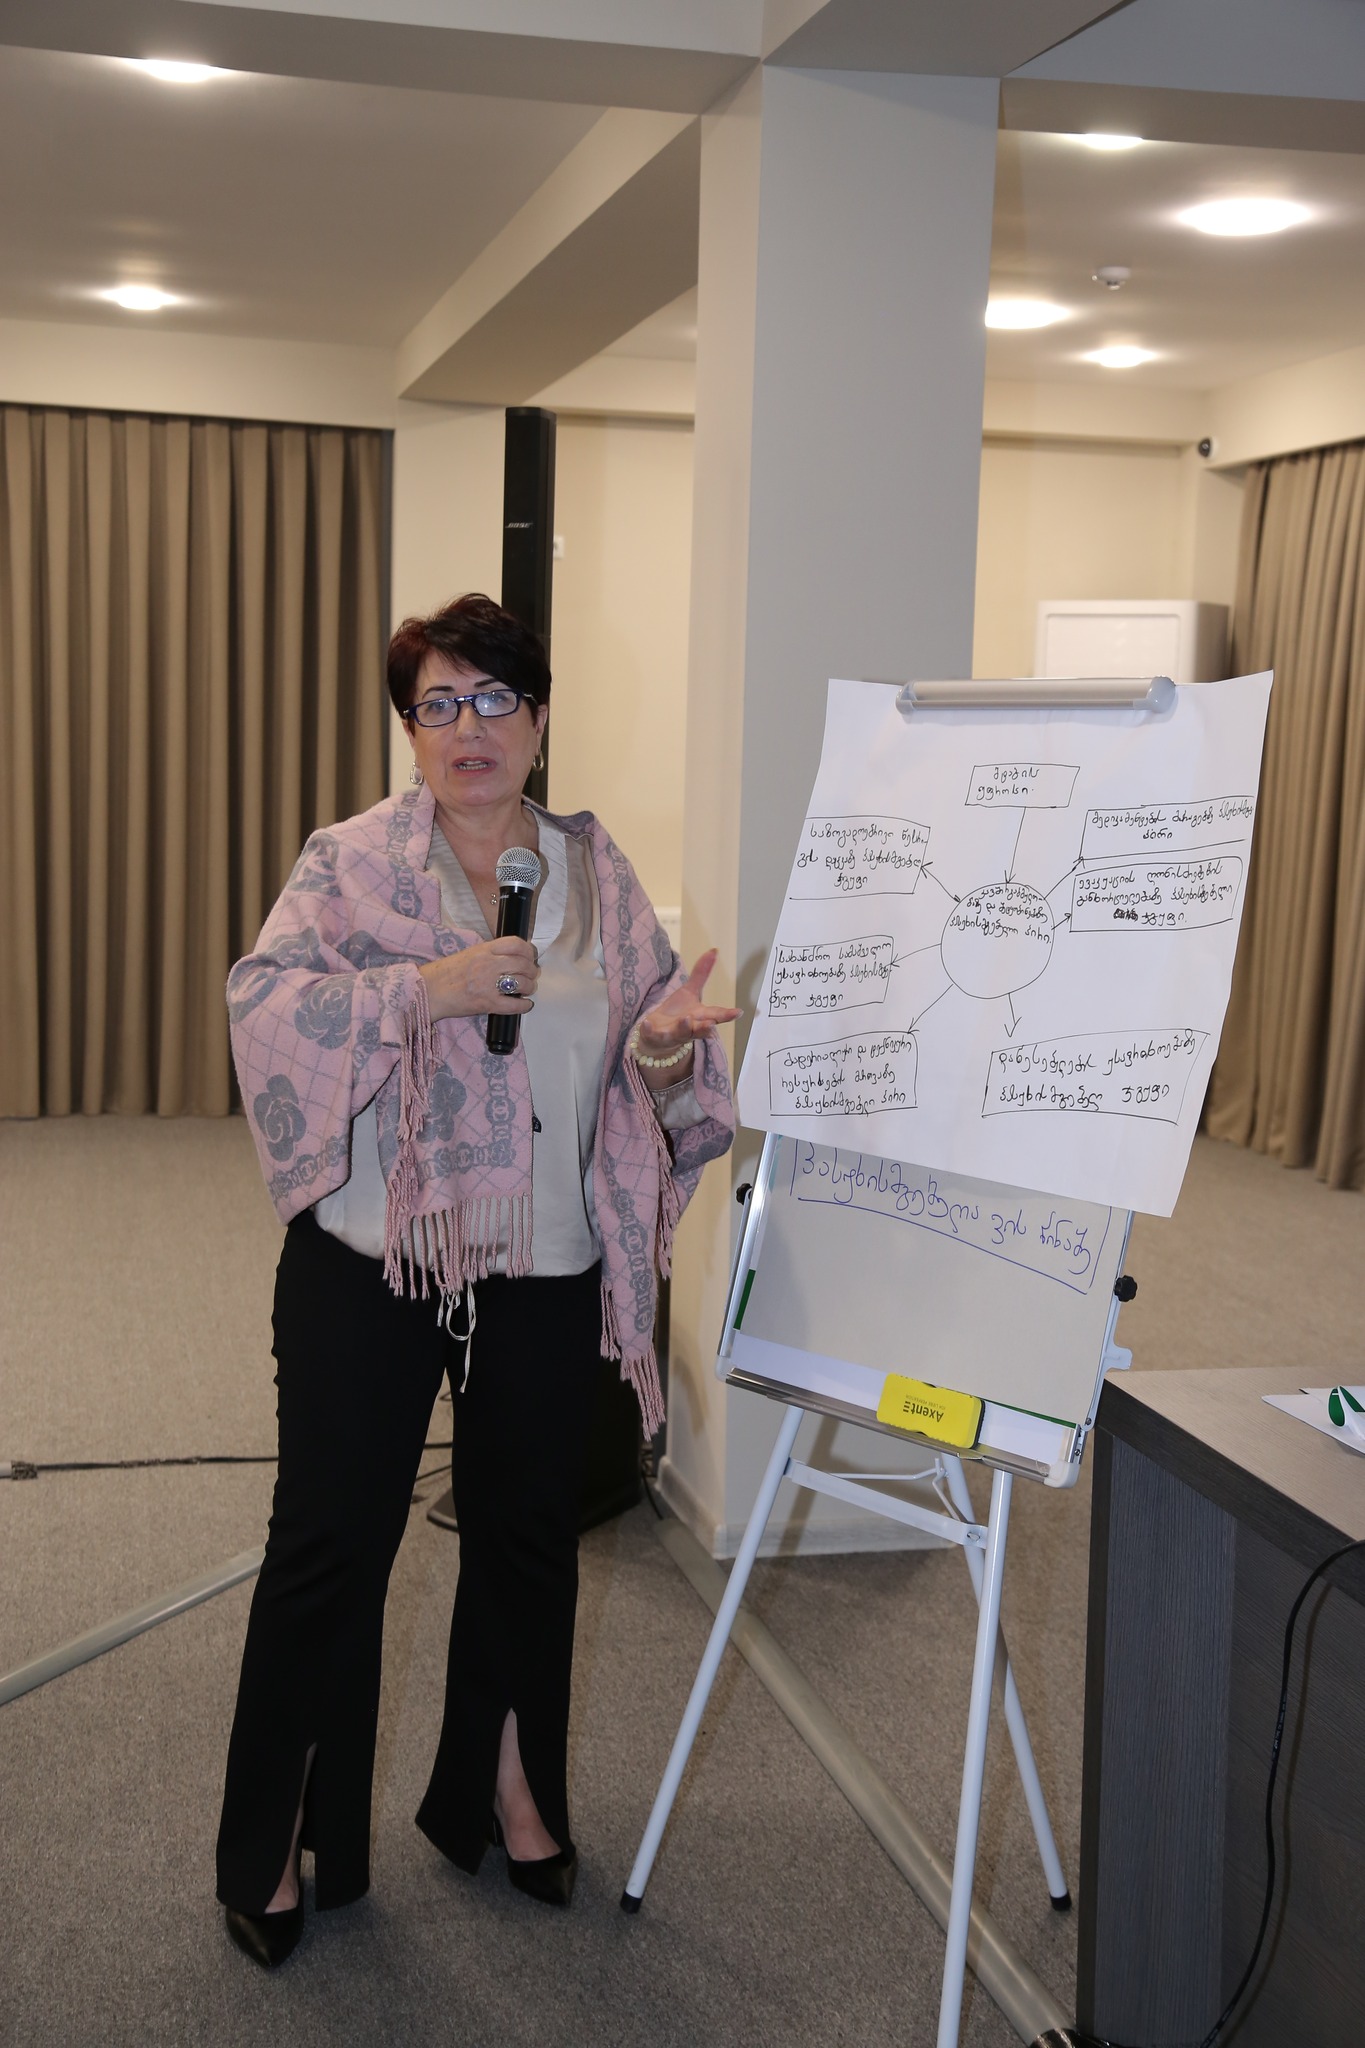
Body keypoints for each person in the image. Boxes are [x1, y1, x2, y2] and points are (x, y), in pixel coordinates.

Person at [217, 593, 737, 1967]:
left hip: (546, 1259)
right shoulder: (347, 864)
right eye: (438, 704)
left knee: (525, 1536)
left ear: (539, 721)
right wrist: (424, 990)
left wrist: (668, 1051)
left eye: (496, 699)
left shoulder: (593, 872)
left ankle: (505, 1791)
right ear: (409, 730)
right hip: (372, 1253)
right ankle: (280, 1830)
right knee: (331, 1540)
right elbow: (262, 1009)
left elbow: (642, 1052)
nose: (470, 729)